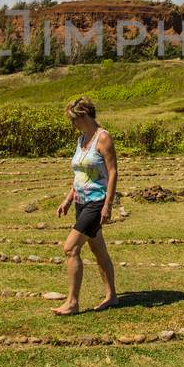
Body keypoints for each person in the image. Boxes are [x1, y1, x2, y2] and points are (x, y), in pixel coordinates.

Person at [52, 96, 118, 315]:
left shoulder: (103, 138)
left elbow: (112, 172)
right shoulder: (82, 139)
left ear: (85, 116)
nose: (73, 124)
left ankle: (72, 302)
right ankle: (112, 296)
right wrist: (68, 199)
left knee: (70, 248)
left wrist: (107, 205)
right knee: (98, 250)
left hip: (96, 203)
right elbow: (80, 174)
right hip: (81, 201)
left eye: (74, 120)